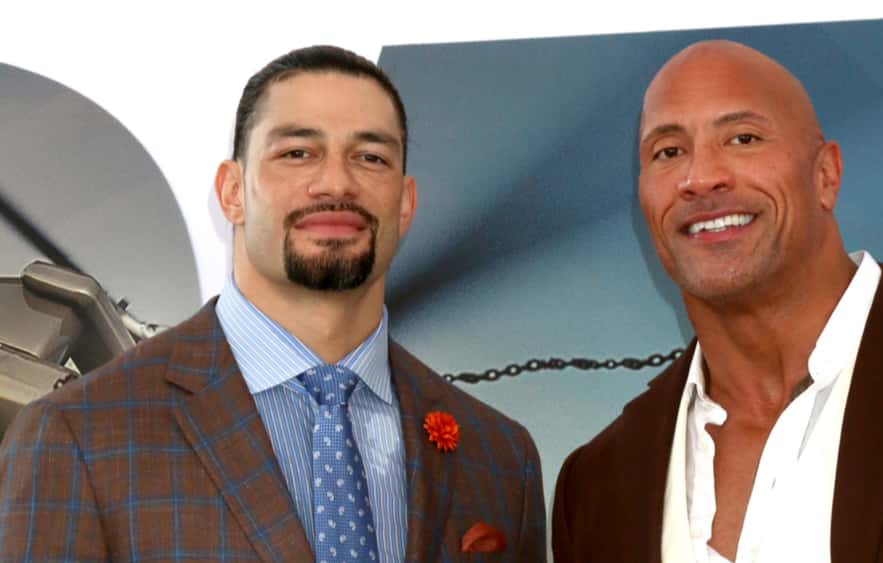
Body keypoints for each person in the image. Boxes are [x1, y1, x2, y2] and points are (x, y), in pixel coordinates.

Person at [0, 45, 545, 562]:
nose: (336, 182)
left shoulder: (500, 457)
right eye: (297, 153)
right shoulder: (78, 434)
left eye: (370, 157)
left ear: (405, 204)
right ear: (232, 192)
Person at [552, 40, 883, 563]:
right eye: (668, 152)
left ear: (825, 175)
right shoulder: (596, 484)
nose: (700, 178)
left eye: (743, 138)